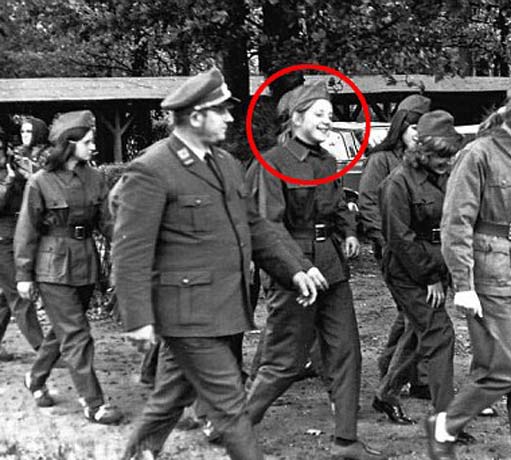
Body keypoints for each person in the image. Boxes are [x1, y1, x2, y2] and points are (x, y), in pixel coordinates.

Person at [111, 66, 322, 460]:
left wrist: (294, 268)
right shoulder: (153, 168)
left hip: (222, 307)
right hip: (187, 312)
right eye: (220, 110)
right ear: (195, 117)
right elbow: (130, 250)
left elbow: (254, 227)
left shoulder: (225, 163)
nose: (228, 118)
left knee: (170, 398)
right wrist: (137, 318)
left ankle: (138, 454)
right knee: (230, 405)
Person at [244, 81, 386, 460]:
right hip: (292, 273)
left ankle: (346, 440)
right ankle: (235, 427)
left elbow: (337, 205)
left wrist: (349, 232)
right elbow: (269, 226)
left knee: (346, 352)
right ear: (296, 118)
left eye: (330, 114)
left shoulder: (327, 161)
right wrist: (299, 268)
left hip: (332, 269)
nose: (328, 120)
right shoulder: (272, 163)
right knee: (284, 362)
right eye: (319, 114)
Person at [427, 75, 511, 460]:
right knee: (504, 369)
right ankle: (446, 425)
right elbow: (456, 223)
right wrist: (463, 284)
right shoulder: (477, 155)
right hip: (487, 275)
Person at [14, 110, 122, 425]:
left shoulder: (95, 178)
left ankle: (35, 377)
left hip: (85, 265)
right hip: (51, 268)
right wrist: (23, 275)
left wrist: (131, 245)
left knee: (63, 331)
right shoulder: (40, 181)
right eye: (87, 142)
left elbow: (108, 223)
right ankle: (94, 403)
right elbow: (27, 230)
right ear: (69, 144)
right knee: (77, 334)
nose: (93, 147)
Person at [374, 110, 462, 425]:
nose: (445, 162)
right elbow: (400, 238)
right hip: (407, 271)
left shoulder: (447, 177)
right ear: (421, 150)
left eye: (449, 155)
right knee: (440, 334)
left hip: (438, 263)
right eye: (439, 155)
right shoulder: (397, 183)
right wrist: (430, 277)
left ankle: (386, 394)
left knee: (416, 333)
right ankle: (445, 418)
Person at [358, 94, 433, 400]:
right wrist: (386, 242)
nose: (418, 133)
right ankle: (409, 375)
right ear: (400, 126)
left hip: (420, 249)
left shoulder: (425, 160)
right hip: (393, 249)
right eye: (413, 127)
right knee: (415, 311)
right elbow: (367, 203)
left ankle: (401, 370)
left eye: (423, 128)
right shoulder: (382, 160)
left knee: (414, 312)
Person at [0, 126, 44, 360]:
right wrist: (9, 181)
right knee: (18, 294)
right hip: (3, 239)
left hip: (17, 235)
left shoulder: (15, 164)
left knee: (6, 297)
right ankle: (43, 350)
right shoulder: (7, 173)